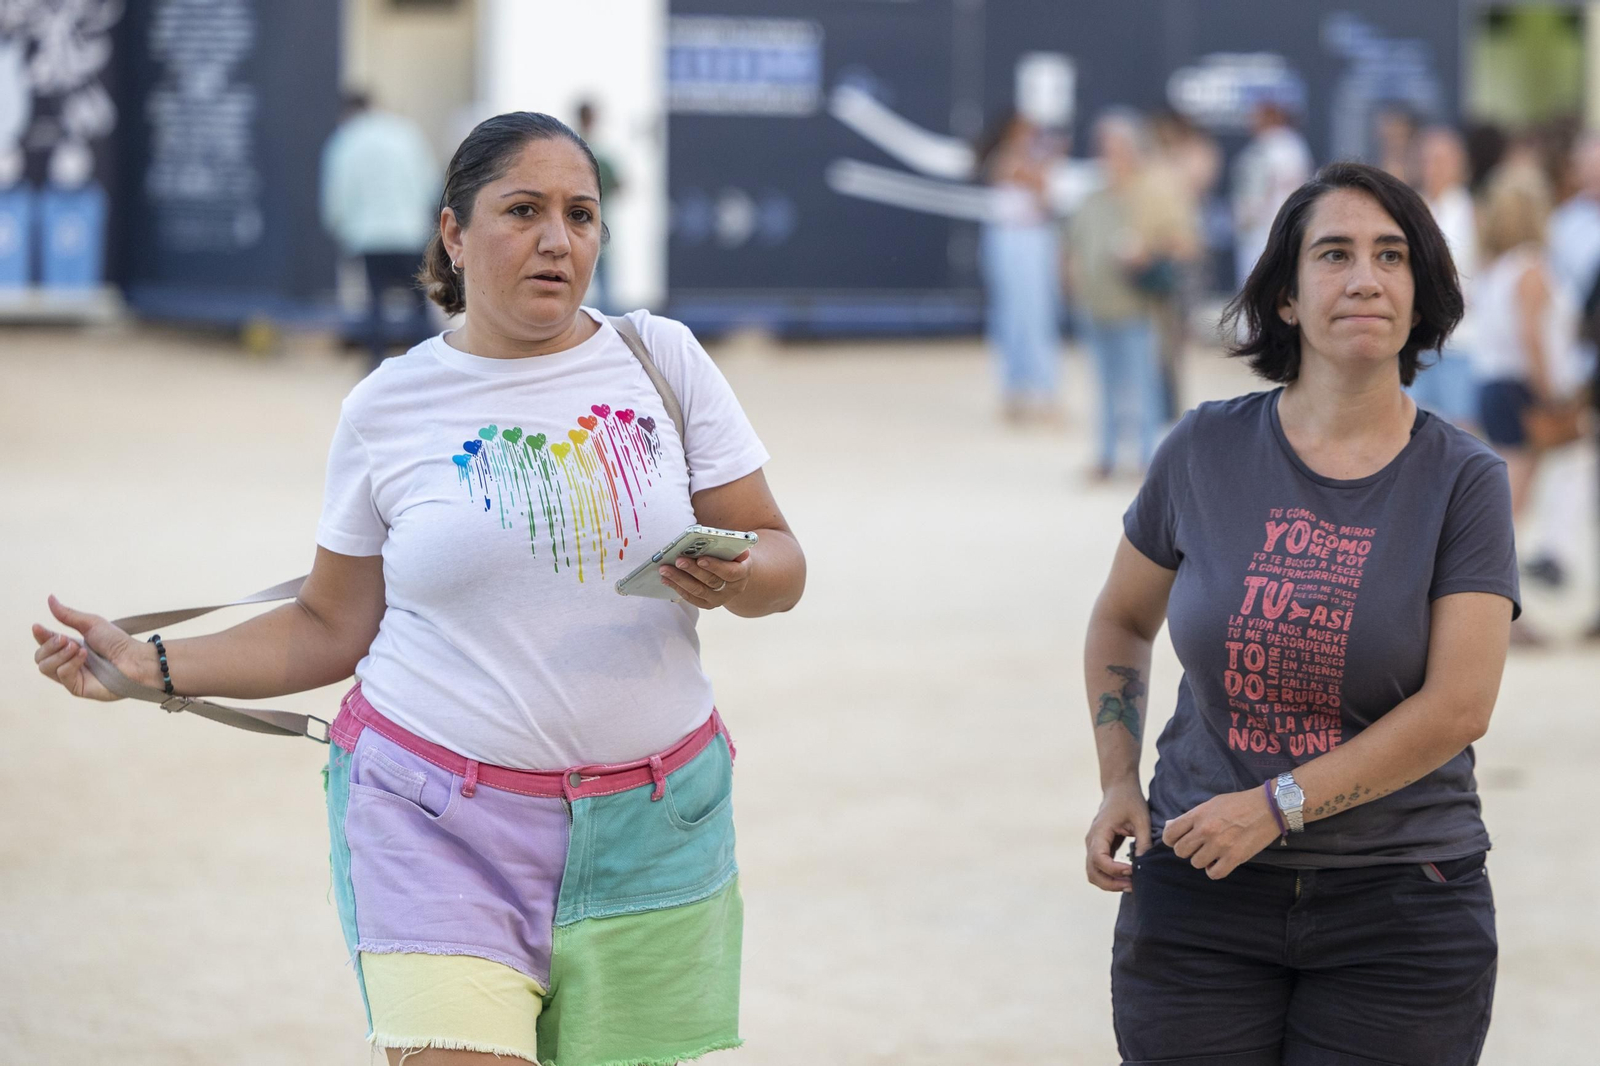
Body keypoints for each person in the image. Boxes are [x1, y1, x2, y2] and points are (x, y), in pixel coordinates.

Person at [32, 111, 807, 1066]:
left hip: (656, 826)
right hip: (435, 821)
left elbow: (780, 559)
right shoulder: (388, 405)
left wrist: (741, 576)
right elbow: (328, 624)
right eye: (522, 210)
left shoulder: (662, 359)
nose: (557, 239)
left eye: (580, 215)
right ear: (453, 232)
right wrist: (147, 664)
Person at [1085, 162, 1516, 1066]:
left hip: (1401, 902)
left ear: (1420, 293)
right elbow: (1122, 620)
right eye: (1334, 254)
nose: (1366, 278)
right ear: (1285, 297)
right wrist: (1118, 778)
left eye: (1392, 256)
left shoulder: (1464, 480)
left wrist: (1276, 806)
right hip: (1199, 885)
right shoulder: (1202, 447)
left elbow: (1458, 707)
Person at [1470, 166, 1585, 628]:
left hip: (1492, 384)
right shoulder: (1532, 267)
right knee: (1511, 505)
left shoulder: (1495, 268)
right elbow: (1533, 339)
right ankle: (1491, 601)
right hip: (1520, 387)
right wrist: (1552, 395)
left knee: (1510, 498)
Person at [1067, 110, 1183, 476]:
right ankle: (1106, 457)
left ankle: (1149, 460)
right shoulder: (1092, 198)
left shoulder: (1152, 193)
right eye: (1104, 148)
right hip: (1096, 308)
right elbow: (1072, 245)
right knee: (1104, 387)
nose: (1109, 155)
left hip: (1137, 309)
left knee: (1143, 386)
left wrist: (1146, 254)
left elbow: (1183, 243)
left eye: (1116, 148)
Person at [320, 91, 440, 371]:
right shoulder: (405, 132)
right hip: (409, 232)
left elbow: (338, 192)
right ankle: (431, 364)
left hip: (368, 236)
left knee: (375, 304)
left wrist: (338, 227)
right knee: (419, 303)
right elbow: (429, 184)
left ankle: (377, 366)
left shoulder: (345, 140)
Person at [975, 110, 1063, 424]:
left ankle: (1041, 391)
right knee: (1012, 316)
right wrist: (1047, 160)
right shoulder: (1004, 159)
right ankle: (1016, 390)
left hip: (1033, 237)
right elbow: (1031, 181)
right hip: (1011, 239)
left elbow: (1046, 196)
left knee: (1037, 315)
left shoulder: (1032, 159)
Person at [1410, 126, 1480, 429]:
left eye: (1440, 160)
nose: (1433, 168)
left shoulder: (1472, 211)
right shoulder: (1412, 208)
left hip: (1459, 339)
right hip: (1415, 339)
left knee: (1458, 429)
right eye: (1426, 159)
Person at [1231, 93, 1313, 288]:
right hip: (1259, 230)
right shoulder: (1269, 144)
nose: (1252, 120)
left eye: (1258, 115)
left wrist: (1256, 213)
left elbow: (1283, 186)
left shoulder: (1284, 144)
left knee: (1266, 284)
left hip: (1271, 228)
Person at [576, 100, 623, 312]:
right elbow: (620, 187)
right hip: (597, 227)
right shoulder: (598, 158)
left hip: (577, 227)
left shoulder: (567, 151)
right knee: (602, 285)